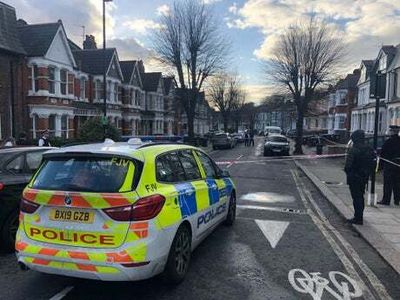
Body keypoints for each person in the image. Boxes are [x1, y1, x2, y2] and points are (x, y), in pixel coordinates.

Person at [344, 130, 376, 225]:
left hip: (354, 176)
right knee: (361, 197)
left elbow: (348, 166)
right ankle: (359, 215)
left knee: (356, 197)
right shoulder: (369, 149)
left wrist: (349, 173)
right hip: (364, 177)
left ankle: (358, 218)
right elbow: (373, 163)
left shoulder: (354, 149)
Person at [377, 125, 400, 206]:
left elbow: (382, 155)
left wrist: (380, 167)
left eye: (391, 130)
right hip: (398, 165)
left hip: (389, 165)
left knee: (388, 184)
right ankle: (397, 200)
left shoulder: (388, 142)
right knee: (397, 183)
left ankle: (386, 200)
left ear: (392, 131)